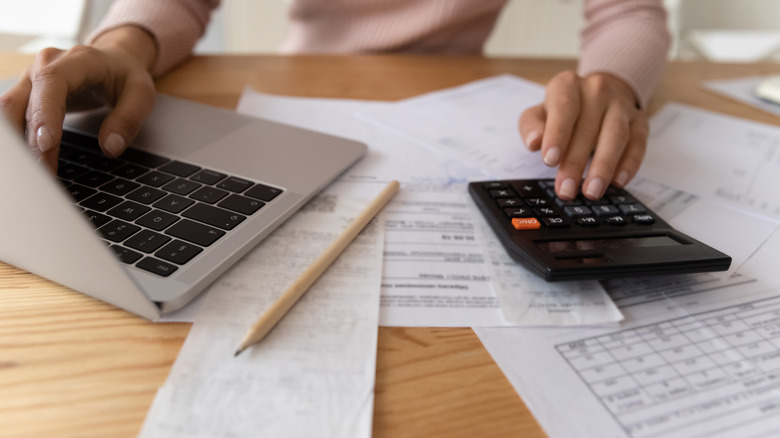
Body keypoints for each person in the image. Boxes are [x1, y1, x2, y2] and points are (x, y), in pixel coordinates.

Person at [0, 0, 670, 200]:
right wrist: (126, 44)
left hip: (464, 100)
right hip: (294, 93)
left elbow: (630, 12)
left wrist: (612, 84)